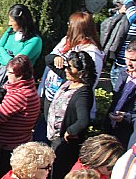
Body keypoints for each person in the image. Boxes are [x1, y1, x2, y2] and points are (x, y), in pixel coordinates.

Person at [0, 55, 41, 177]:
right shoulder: (19, 86)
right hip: (12, 143)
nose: (6, 76)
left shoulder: (21, 95)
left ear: (19, 75)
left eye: (9, 73)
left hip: (9, 147)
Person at [47, 51, 96, 179]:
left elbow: (83, 120)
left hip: (63, 143)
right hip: (54, 138)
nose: (66, 70)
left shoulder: (83, 93)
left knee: (57, 173)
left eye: (70, 67)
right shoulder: (69, 80)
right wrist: (58, 59)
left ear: (82, 73)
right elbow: (48, 61)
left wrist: (70, 131)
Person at [42, 12, 103, 115]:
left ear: (77, 28)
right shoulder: (66, 41)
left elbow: (90, 81)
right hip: (51, 96)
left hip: (66, 103)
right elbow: (49, 61)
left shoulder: (92, 53)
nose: (68, 26)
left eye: (70, 24)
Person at [0, 4, 43, 89]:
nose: (9, 24)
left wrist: (2, 50)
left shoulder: (34, 40)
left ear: (21, 21)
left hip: (18, 84)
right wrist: (9, 59)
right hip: (1, 77)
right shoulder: (10, 32)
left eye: (12, 21)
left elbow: (16, 64)